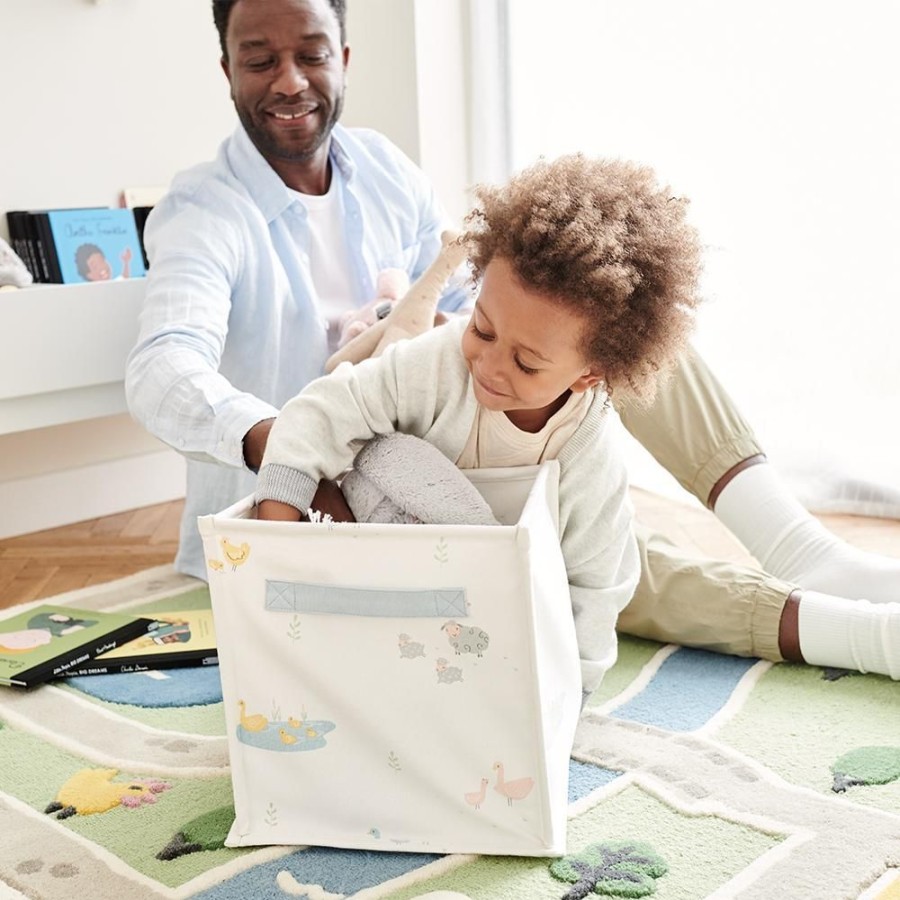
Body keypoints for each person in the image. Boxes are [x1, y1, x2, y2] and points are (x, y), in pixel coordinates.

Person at [125, 0, 899, 681]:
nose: (289, 80)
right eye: (260, 60)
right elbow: (163, 368)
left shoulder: (383, 172)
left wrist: (459, 326)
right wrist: (280, 441)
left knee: (608, 322)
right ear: (227, 67)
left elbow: (477, 300)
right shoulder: (206, 213)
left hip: (451, 421)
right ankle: (849, 632)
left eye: (311, 54)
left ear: (345, 58)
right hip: (336, 489)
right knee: (586, 555)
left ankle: (797, 545)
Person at [256, 154, 702, 693]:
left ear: (590, 374)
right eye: (484, 330)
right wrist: (273, 538)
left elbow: (595, 583)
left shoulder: (590, 455)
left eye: (528, 363)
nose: (489, 367)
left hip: (499, 607)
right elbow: (320, 411)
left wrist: (570, 692)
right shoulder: (434, 364)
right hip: (396, 575)